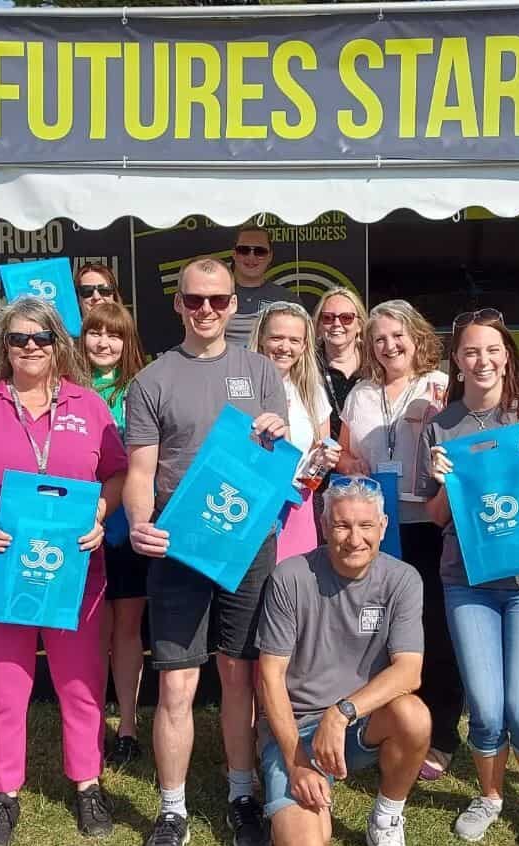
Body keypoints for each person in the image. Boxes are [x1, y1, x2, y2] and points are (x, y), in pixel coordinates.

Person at [0, 297, 128, 846]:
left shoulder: (89, 406)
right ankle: (3, 794)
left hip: (75, 573)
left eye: (41, 337)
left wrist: (101, 511)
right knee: (3, 687)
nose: (31, 347)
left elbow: (115, 475)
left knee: (81, 683)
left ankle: (88, 785)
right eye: (19, 338)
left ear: (58, 344)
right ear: (4, 347)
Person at [123, 257, 289, 846]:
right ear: (178, 304)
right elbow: (141, 470)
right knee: (176, 684)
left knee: (240, 673)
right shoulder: (151, 379)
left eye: (218, 301)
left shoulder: (264, 372)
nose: (207, 311)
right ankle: (173, 810)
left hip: (247, 545)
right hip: (178, 547)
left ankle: (242, 793)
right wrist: (140, 524)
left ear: (235, 305)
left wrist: (277, 434)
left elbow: (276, 464)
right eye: (195, 300)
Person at [417, 307, 519, 846]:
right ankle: (489, 796)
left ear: (507, 358)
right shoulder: (439, 425)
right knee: (484, 707)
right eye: (470, 352)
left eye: (492, 350)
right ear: (456, 362)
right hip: (466, 580)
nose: (481, 360)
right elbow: (437, 516)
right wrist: (439, 482)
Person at [257, 475, 431, 846]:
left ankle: (386, 816)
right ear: (323, 526)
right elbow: (270, 677)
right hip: (298, 728)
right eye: (342, 525)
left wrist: (341, 713)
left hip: (360, 721)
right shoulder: (289, 577)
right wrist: (297, 763)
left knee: (414, 716)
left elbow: (409, 671)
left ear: (383, 527)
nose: (355, 539)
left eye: (366, 525)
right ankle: (296, 788)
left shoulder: (403, 580)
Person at [337, 299, 464, 781]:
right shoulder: (361, 394)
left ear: (415, 337)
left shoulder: (438, 387)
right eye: (379, 339)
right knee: (380, 630)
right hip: (374, 529)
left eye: (397, 336)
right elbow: (346, 454)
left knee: (434, 629)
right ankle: (387, 726)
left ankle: (444, 735)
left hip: (427, 524)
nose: (389, 346)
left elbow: (457, 440)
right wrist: (350, 466)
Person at [79, 302, 148, 768]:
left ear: (128, 342)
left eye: (114, 335)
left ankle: (126, 725)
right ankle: (89, 725)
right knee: (90, 629)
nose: (104, 343)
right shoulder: (64, 389)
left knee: (126, 627)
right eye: (95, 333)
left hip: (126, 528)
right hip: (80, 527)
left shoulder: (141, 389)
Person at [249, 301, 341, 560]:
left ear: (304, 346)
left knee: (293, 590)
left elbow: (316, 467)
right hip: (251, 504)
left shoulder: (312, 392)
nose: (285, 347)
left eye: (294, 340)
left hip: (298, 505)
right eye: (276, 338)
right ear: (261, 339)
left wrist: (322, 462)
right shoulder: (242, 388)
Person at [225, 224, 303, 348]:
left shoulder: (287, 300)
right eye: (244, 250)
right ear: (234, 254)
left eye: (259, 251)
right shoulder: (214, 295)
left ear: (270, 256)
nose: (251, 257)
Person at [312, 287, 368, 440]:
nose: (337, 324)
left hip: (366, 457)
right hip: (321, 457)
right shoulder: (307, 366)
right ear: (318, 326)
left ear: (360, 325)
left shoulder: (375, 365)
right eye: (328, 318)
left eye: (346, 318)